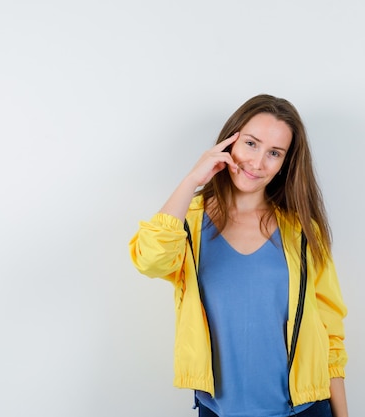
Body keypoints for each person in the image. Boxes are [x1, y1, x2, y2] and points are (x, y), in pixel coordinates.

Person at [129, 94, 348, 417]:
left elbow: (330, 336)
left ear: (285, 163)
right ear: (229, 141)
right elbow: (149, 259)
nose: (258, 162)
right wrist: (192, 180)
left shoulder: (302, 232)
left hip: (305, 410)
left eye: (274, 153)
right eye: (251, 144)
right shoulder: (187, 223)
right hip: (218, 411)